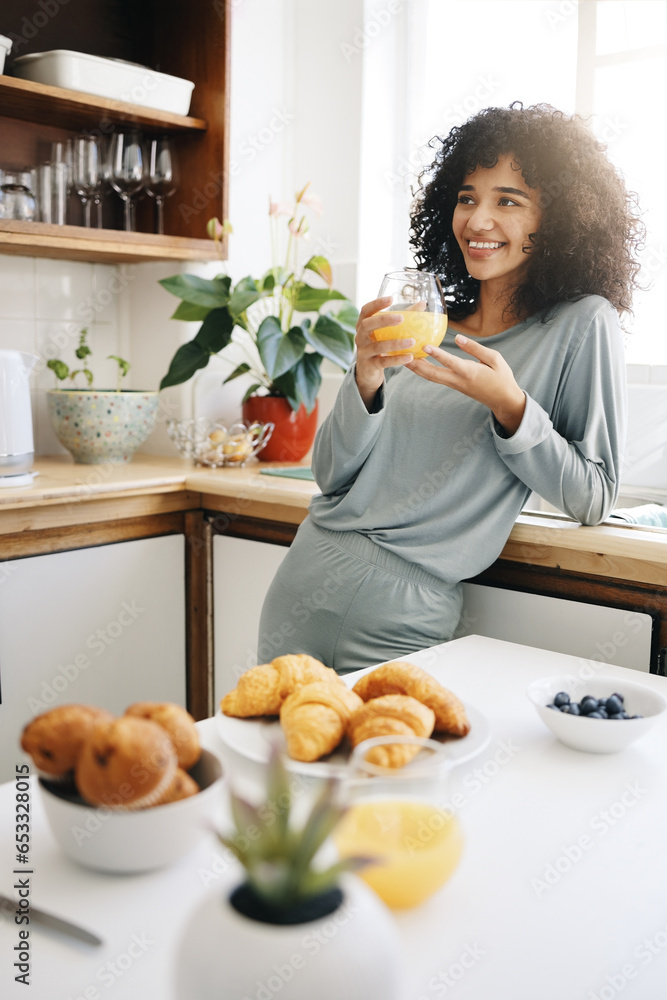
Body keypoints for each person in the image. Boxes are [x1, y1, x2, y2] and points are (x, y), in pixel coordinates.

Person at [258, 102, 644, 674]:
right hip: (307, 576)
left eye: (507, 201)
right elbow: (330, 476)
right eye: (467, 198)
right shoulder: (424, 320)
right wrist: (364, 375)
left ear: (557, 220)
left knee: (400, 761)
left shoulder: (581, 325)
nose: (478, 220)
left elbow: (593, 496)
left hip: (404, 615)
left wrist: (508, 405)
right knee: (273, 763)